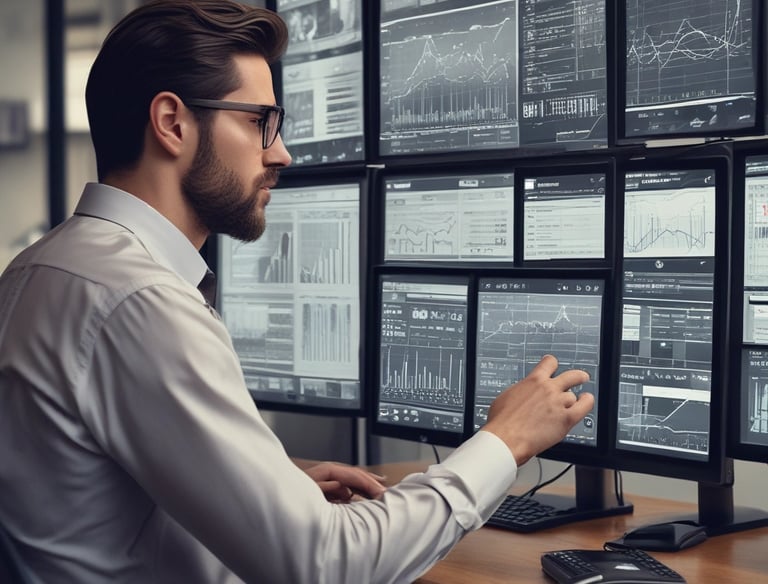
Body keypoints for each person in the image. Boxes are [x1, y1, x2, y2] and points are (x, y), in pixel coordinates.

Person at [0, 1, 594, 582]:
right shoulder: (140, 302)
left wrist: (266, 488)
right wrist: (504, 441)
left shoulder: (37, 271)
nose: (280, 152)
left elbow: (97, 496)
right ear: (172, 123)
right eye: (260, 121)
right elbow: (328, 566)